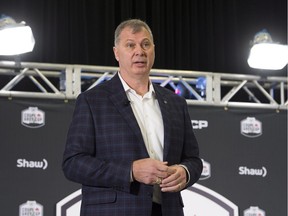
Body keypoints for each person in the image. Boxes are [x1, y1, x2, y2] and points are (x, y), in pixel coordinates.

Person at [62, 18, 203, 216]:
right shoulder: (92, 101)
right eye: (130, 45)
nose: (140, 51)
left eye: (145, 44)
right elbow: (73, 163)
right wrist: (130, 171)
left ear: (153, 50)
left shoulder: (175, 104)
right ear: (116, 53)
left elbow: (193, 160)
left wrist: (185, 172)